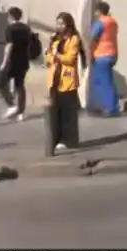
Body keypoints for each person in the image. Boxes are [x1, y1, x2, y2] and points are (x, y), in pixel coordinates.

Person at [45, 12, 84, 152]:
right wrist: (51, 55)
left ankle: (69, 140)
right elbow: (48, 58)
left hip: (67, 80)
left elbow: (70, 58)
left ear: (68, 24)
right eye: (58, 23)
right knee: (55, 112)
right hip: (54, 79)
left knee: (68, 113)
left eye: (62, 23)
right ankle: (55, 138)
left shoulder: (74, 39)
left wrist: (57, 55)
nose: (59, 26)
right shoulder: (55, 39)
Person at [0, 6, 32, 120]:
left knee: (1, 82)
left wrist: (4, 62)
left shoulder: (10, 29)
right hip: (23, 61)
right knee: (20, 85)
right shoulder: (26, 28)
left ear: (10, 16)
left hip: (12, 60)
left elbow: (9, 45)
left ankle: (12, 106)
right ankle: (21, 112)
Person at [89, 1, 119, 117]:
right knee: (106, 81)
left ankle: (111, 108)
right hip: (112, 54)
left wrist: (89, 53)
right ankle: (107, 106)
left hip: (101, 54)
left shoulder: (100, 23)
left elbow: (92, 38)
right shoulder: (113, 23)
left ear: (98, 11)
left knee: (104, 82)